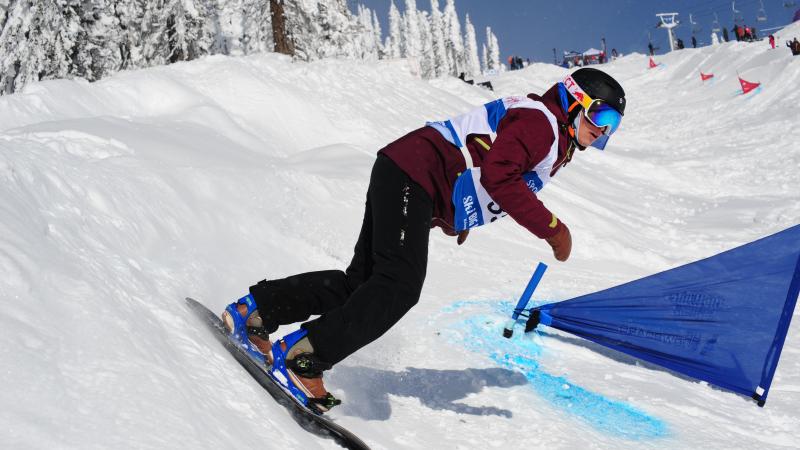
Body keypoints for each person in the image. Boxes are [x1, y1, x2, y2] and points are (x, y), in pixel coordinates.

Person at [220, 68, 627, 414]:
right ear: (574, 99)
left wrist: (459, 213)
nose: (602, 130)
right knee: (398, 285)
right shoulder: (543, 124)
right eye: (601, 114)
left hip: (405, 171)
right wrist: (553, 228)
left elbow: (482, 159)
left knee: (363, 283)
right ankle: (302, 359)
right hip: (413, 174)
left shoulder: (549, 131)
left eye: (613, 125)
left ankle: (255, 310)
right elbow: (500, 175)